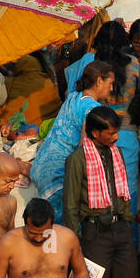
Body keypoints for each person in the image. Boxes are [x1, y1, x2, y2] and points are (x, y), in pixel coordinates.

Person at [64, 106, 140, 278]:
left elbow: (123, 193)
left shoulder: (116, 152)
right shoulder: (77, 159)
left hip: (121, 229)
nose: (116, 137)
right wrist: (75, 242)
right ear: (95, 133)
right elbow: (70, 205)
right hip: (94, 232)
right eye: (111, 133)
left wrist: (128, 219)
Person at [30, 60, 112, 225]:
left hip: (41, 166)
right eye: (110, 83)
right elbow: (85, 147)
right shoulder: (92, 109)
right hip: (59, 173)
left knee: (47, 225)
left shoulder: (74, 97)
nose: (111, 88)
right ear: (99, 81)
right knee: (60, 229)